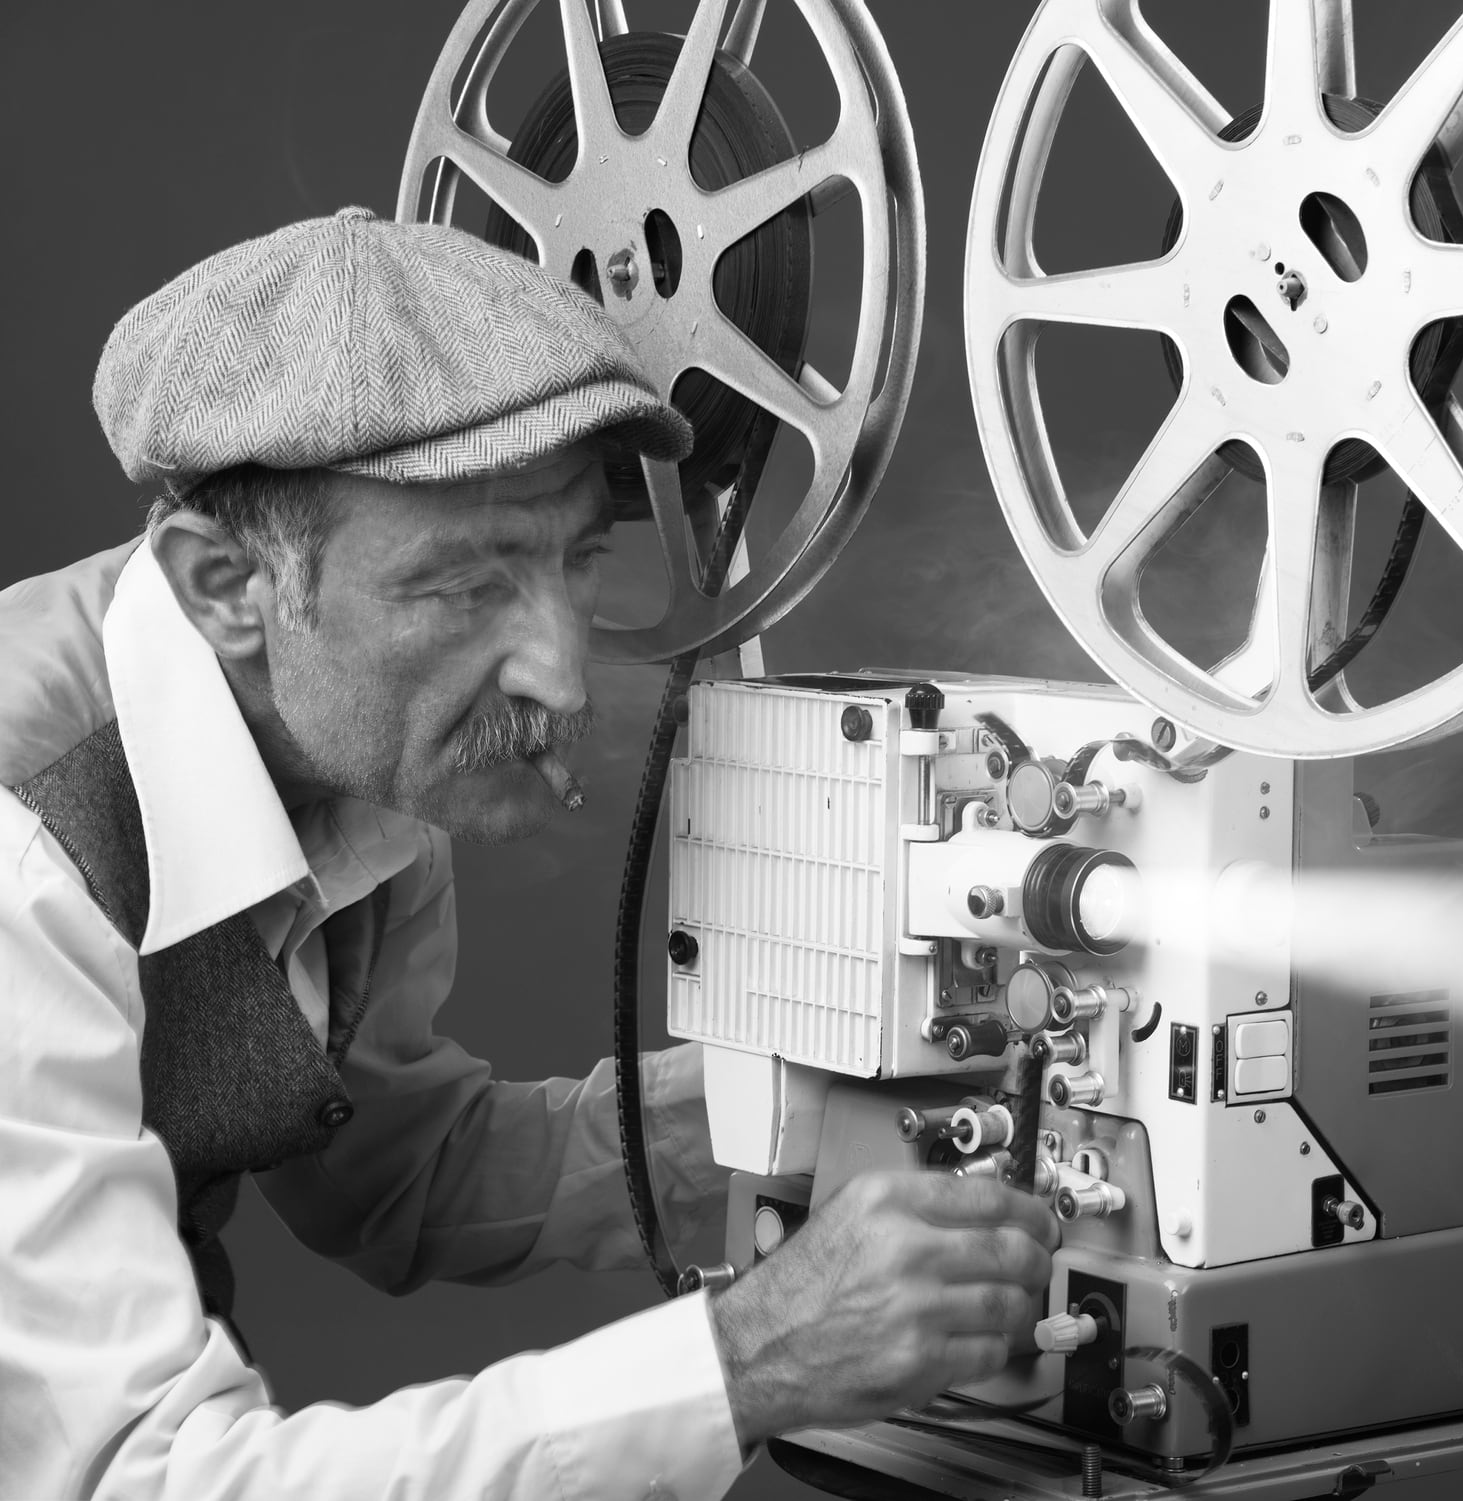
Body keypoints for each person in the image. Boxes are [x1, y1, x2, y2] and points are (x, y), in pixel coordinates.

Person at [0, 207, 1057, 1500]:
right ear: (227, 585)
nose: (562, 673)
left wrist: (800, 1095)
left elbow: (405, 1178)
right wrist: (743, 1363)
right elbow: (134, 1481)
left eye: (578, 558)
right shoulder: (23, 858)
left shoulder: (354, 751)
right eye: (462, 587)